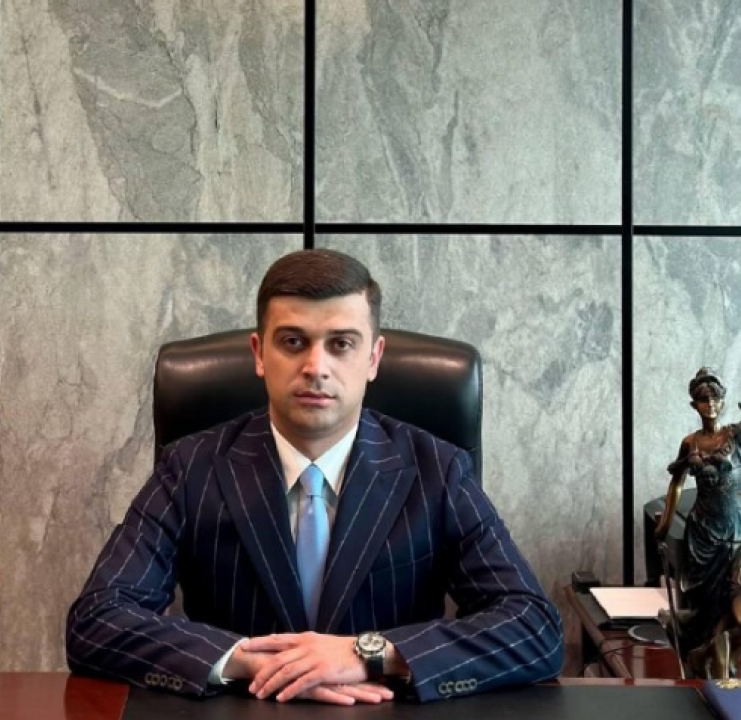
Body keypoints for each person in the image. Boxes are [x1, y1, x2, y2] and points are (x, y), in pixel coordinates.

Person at [66, 249, 563, 703]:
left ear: (373, 358)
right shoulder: (191, 467)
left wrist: (367, 654)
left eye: (341, 344)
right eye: (292, 342)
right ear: (259, 354)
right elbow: (97, 618)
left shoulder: (437, 469)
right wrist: (248, 661)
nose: (315, 367)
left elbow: (533, 624)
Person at [655, 362, 741, 680]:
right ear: (694, 405)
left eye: (715, 399)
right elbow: (676, 482)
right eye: (703, 399)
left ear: (723, 402)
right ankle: (719, 677)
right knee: (711, 615)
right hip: (702, 536)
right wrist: (664, 525)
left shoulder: (736, 435)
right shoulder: (690, 443)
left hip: (737, 535)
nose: (710, 405)